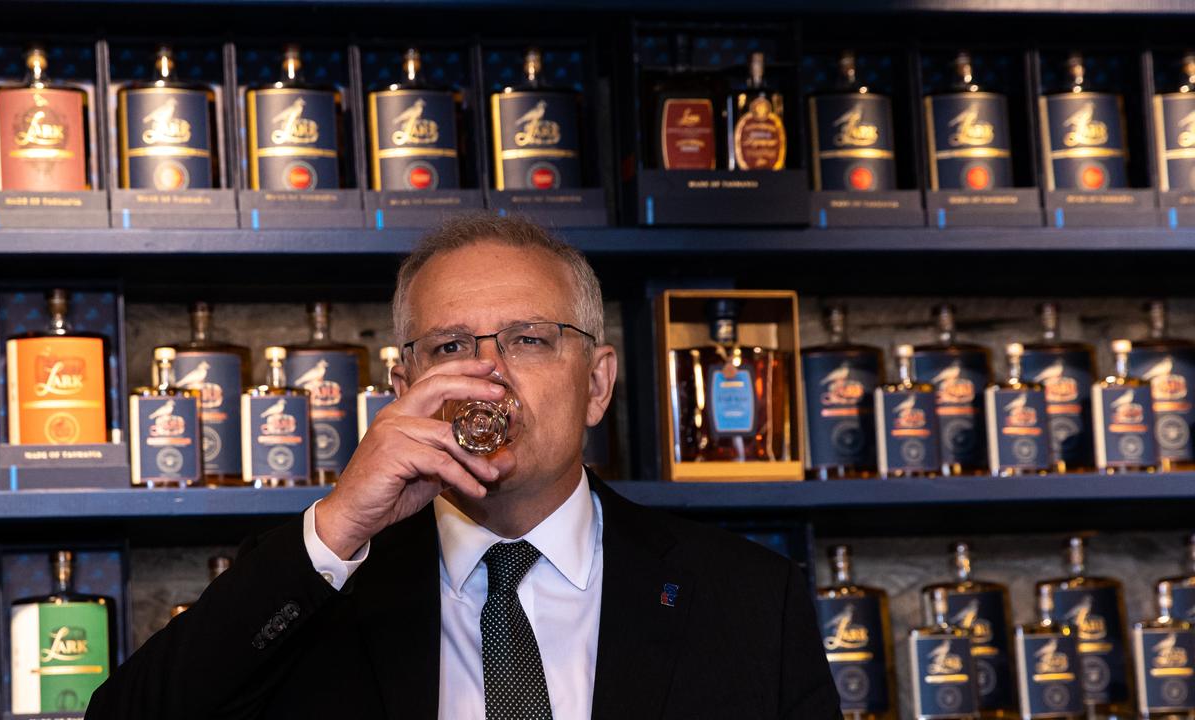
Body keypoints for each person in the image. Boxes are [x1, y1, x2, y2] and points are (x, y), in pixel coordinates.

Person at [86, 212, 841, 719]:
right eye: (450, 347)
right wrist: (338, 527)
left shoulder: (748, 598)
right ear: (403, 390)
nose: (487, 376)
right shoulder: (324, 584)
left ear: (598, 384)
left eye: (530, 339)